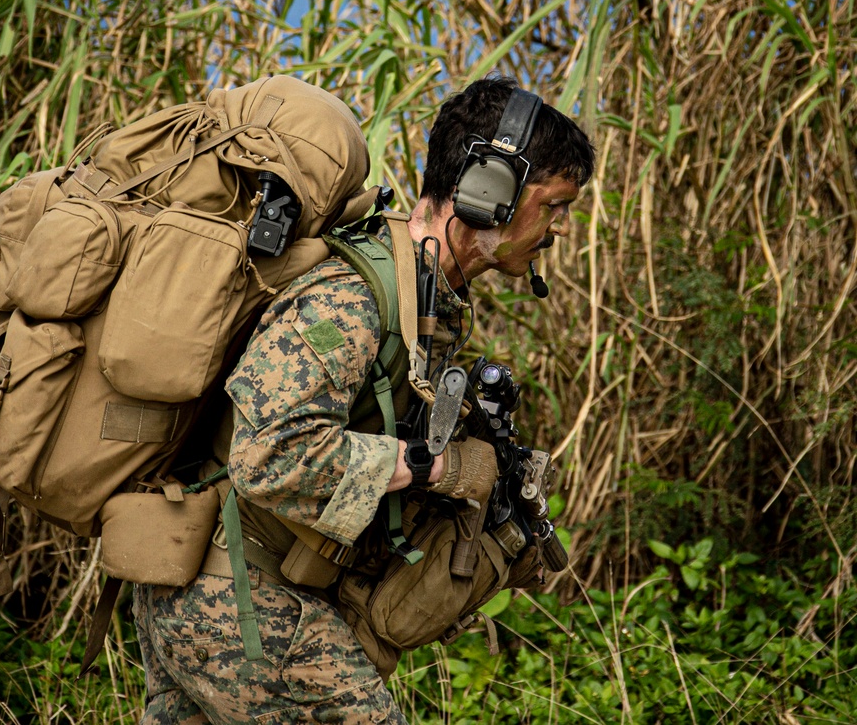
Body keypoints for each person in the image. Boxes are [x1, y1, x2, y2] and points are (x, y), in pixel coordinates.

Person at [133, 75, 595, 724]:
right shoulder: (349, 301)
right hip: (231, 597)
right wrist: (441, 467)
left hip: (225, 590)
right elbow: (271, 458)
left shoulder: (426, 302)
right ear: (487, 189)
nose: (559, 230)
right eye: (553, 205)